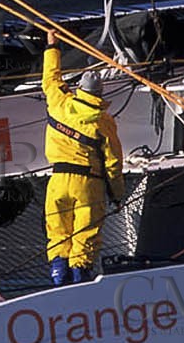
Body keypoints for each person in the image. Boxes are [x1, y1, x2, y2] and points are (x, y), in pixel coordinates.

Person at [42, 30, 125, 286]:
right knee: (85, 236)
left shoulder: (60, 103)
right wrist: (118, 195)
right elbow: (113, 163)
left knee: (57, 232)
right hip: (88, 184)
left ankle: (58, 279)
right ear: (99, 96)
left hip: (56, 181)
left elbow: (50, 78)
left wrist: (52, 47)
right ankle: (80, 281)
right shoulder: (103, 121)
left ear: (79, 89)